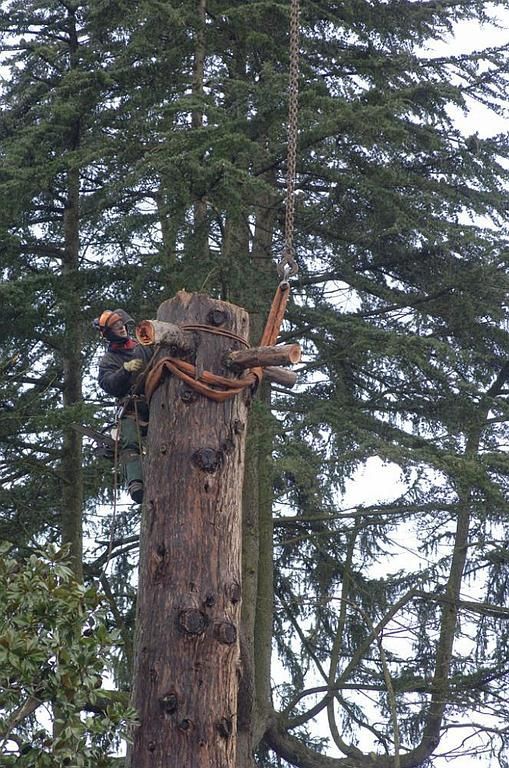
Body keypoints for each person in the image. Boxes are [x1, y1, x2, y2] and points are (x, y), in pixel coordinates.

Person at [93, 308, 153, 504]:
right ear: (109, 334)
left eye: (122, 325)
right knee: (129, 442)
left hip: (156, 400)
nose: (121, 329)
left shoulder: (142, 346)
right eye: (116, 327)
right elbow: (108, 384)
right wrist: (124, 371)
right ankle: (136, 483)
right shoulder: (109, 360)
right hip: (132, 407)